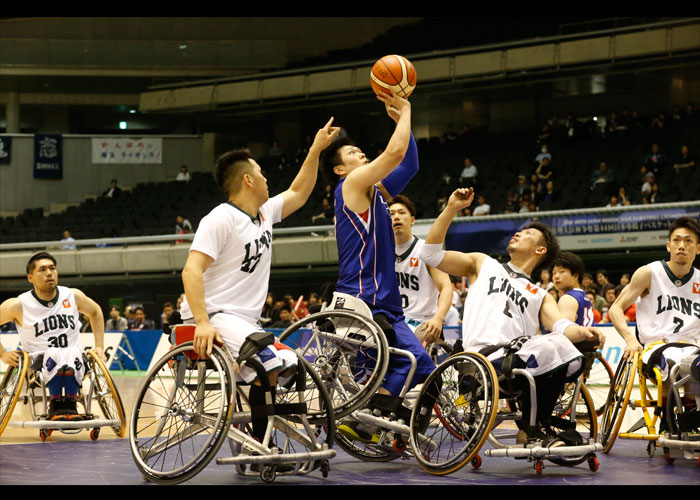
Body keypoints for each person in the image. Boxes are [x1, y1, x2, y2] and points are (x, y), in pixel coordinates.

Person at [179, 117, 339, 444]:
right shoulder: (220, 218)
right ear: (249, 180)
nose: (267, 178)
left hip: (244, 321)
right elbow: (190, 270)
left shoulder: (264, 213)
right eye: (262, 173)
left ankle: (259, 442)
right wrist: (202, 322)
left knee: (291, 363)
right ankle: (260, 443)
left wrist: (316, 149)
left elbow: (298, 191)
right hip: (214, 314)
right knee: (270, 360)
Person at [419, 188, 604, 439]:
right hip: (480, 361)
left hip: (517, 366)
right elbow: (430, 254)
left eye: (528, 233)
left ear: (540, 250)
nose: (519, 233)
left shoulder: (540, 294)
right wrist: (451, 208)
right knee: (549, 346)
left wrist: (584, 331)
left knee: (558, 343)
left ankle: (533, 427)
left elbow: (562, 325)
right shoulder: (482, 263)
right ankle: (534, 427)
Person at [319, 90, 435, 442]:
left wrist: (402, 121)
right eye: (352, 153)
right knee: (406, 362)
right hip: (362, 298)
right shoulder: (351, 184)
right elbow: (395, 152)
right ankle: (367, 416)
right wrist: (405, 113)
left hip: (386, 303)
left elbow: (410, 164)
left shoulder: (379, 193)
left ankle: (370, 418)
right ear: (341, 168)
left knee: (422, 365)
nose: (361, 153)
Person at [0, 252, 106, 420]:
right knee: (55, 353)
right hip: (38, 363)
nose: (49, 273)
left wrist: (99, 345)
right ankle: (57, 406)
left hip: (74, 358)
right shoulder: (18, 304)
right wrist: (3, 354)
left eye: (52, 268)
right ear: (30, 278)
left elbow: (95, 312)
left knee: (70, 353)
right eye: (42, 269)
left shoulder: (72, 295)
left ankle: (70, 407)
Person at [608, 216, 700, 390]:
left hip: (692, 349)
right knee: (673, 365)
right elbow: (615, 309)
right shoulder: (649, 273)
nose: (682, 245)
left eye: (688, 241)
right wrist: (630, 339)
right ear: (668, 246)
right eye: (677, 240)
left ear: (698, 249)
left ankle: (690, 412)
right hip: (657, 347)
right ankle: (667, 416)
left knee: (693, 371)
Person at [389, 194, 453, 346]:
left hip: (421, 323)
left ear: (412, 220)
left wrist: (438, 318)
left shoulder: (425, 250)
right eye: (391, 214)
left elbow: (446, 287)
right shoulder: (381, 253)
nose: (396, 217)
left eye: (401, 212)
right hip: (391, 321)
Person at [552, 251, 595, 327]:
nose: (556, 276)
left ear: (575, 276)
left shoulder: (567, 298)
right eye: (554, 273)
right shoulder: (583, 296)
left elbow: (564, 334)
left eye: (561, 271)